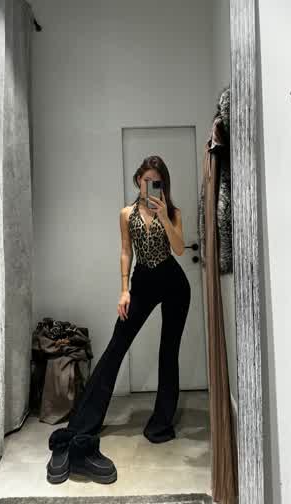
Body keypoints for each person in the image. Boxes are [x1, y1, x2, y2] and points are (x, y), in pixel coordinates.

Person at [46, 155, 191, 485]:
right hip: (142, 282)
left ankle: (161, 424)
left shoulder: (173, 212)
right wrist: (124, 290)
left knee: (168, 352)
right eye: (146, 180)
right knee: (115, 348)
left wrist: (164, 215)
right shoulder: (126, 214)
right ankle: (85, 423)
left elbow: (180, 249)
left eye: (157, 181)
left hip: (173, 282)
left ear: (163, 184)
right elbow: (126, 250)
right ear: (138, 180)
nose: (150, 185)